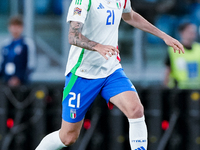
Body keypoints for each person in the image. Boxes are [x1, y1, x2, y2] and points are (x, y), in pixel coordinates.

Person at [36, 0, 184, 149]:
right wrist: (98, 47)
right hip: (82, 73)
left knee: (136, 110)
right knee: (68, 137)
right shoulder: (83, 1)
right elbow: (73, 36)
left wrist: (164, 35)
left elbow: (130, 16)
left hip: (110, 69)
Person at [0, 15, 36, 87]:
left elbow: (31, 64)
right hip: (6, 82)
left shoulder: (27, 43)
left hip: (22, 83)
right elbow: (2, 63)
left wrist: (18, 78)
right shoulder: (5, 44)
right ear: (9, 28)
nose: (15, 29)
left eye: (18, 26)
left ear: (22, 28)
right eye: (13, 26)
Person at [164, 22, 200, 89]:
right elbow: (168, 70)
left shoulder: (198, 49)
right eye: (190, 32)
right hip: (178, 90)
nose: (192, 34)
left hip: (196, 88)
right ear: (182, 33)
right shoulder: (173, 50)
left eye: (194, 32)